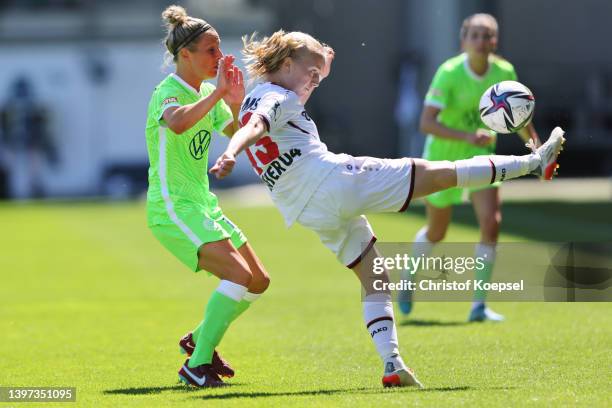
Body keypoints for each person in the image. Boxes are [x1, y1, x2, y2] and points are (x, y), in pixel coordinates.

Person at [209, 30, 564, 388]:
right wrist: (230, 153)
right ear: (286, 65)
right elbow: (255, 128)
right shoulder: (278, 98)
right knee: (439, 174)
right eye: (311, 73)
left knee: (375, 276)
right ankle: (534, 162)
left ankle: (393, 364)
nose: (314, 82)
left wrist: (321, 61)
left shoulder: (258, 95)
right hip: (334, 181)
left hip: (305, 208)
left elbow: (255, 116)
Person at [145, 5, 270, 388]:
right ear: (186, 55)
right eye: (211, 51)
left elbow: (238, 130)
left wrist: (233, 99)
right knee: (238, 274)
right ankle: (196, 365)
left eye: (218, 50)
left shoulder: (204, 91)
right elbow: (179, 123)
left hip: (202, 204)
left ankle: (198, 339)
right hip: (172, 207)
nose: (219, 58)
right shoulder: (167, 92)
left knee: (258, 281)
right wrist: (218, 92)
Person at [398, 14, 540, 322]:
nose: (481, 40)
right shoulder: (448, 73)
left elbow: (520, 119)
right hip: (443, 159)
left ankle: (478, 305)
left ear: (495, 42)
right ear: (463, 41)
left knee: (491, 223)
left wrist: (537, 152)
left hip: (482, 161)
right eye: (474, 35)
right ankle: (408, 278)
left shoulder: (505, 72)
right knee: (438, 231)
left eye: (487, 35)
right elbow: (426, 123)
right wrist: (466, 136)